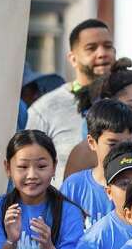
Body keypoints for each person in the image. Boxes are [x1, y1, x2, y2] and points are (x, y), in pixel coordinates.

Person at [25, 18, 116, 183]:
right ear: (72, 58)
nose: (102, 53)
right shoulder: (45, 109)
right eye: (91, 48)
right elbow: (26, 167)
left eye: (108, 46)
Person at [61, 100, 132, 229]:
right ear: (92, 142)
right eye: (112, 144)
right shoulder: (74, 186)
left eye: (127, 143)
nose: (120, 150)